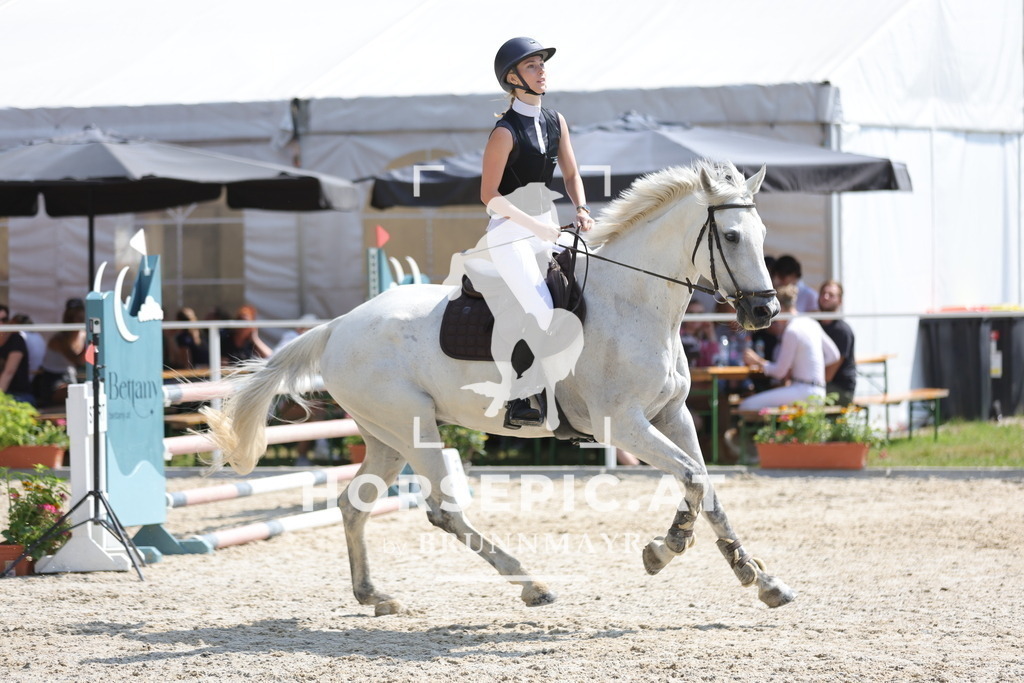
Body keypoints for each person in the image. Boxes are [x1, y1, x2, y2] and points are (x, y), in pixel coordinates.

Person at [449, 37, 593, 428]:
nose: (542, 70)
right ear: (513, 78)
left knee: (593, 284)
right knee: (541, 309)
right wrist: (535, 226)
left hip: (547, 228)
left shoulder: (555, 120)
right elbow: (488, 195)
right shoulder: (504, 132)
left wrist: (580, 208)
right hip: (510, 233)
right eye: (532, 66)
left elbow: (572, 173)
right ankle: (520, 395)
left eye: (542, 65)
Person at [738, 283, 840, 412]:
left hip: (803, 390)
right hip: (819, 391)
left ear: (779, 308)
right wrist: (809, 367)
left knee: (746, 405)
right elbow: (834, 355)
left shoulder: (792, 330)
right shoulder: (811, 322)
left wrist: (757, 361)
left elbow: (780, 372)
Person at [33, 301, 88, 407]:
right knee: (79, 396)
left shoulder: (83, 335)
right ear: (69, 320)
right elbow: (78, 360)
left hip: (69, 378)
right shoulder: (58, 339)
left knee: (82, 393)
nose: (81, 322)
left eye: (82, 319)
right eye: (79, 319)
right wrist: (92, 344)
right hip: (52, 381)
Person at [818, 280, 857, 405]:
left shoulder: (842, 331)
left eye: (831, 295)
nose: (825, 297)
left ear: (840, 301)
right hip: (820, 385)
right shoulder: (815, 324)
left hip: (839, 390)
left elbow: (828, 375)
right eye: (823, 293)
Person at [0, 304, 35, 404]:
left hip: (19, 395)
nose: (1, 324)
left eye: (4, 319)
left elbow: (9, 372)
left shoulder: (16, 340)